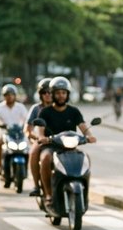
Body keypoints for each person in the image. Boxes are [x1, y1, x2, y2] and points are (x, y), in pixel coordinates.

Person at [36, 77, 96, 208]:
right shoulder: (45, 112)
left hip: (70, 148)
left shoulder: (73, 111)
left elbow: (83, 126)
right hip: (52, 147)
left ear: (68, 94)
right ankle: (48, 194)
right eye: (57, 93)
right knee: (45, 158)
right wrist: (42, 137)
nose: (61, 96)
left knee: (86, 159)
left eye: (63, 93)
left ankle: (85, 194)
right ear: (52, 94)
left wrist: (89, 136)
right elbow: (40, 131)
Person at [0, 84, 28, 177]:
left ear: (15, 95)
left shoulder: (21, 107)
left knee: (28, 148)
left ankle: (27, 168)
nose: (9, 97)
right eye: (7, 95)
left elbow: (27, 119)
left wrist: (26, 126)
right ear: (4, 96)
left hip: (18, 133)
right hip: (4, 133)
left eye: (11, 94)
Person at [26, 78, 52, 197]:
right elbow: (28, 129)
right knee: (34, 151)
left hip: (59, 140)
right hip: (41, 140)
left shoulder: (62, 107)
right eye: (44, 92)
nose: (47, 95)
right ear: (40, 94)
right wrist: (36, 137)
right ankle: (36, 185)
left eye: (50, 92)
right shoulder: (37, 109)